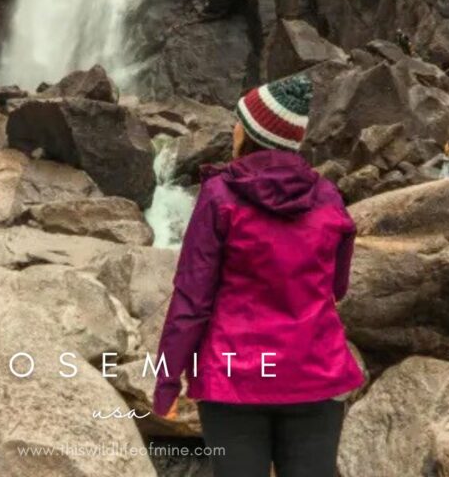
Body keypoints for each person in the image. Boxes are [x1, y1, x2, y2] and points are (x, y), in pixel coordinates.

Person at [152, 73, 364, 477]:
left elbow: (191, 300)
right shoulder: (328, 198)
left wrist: (166, 382)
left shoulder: (219, 197)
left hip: (235, 379)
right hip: (314, 374)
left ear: (249, 133)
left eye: (239, 120)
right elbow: (337, 287)